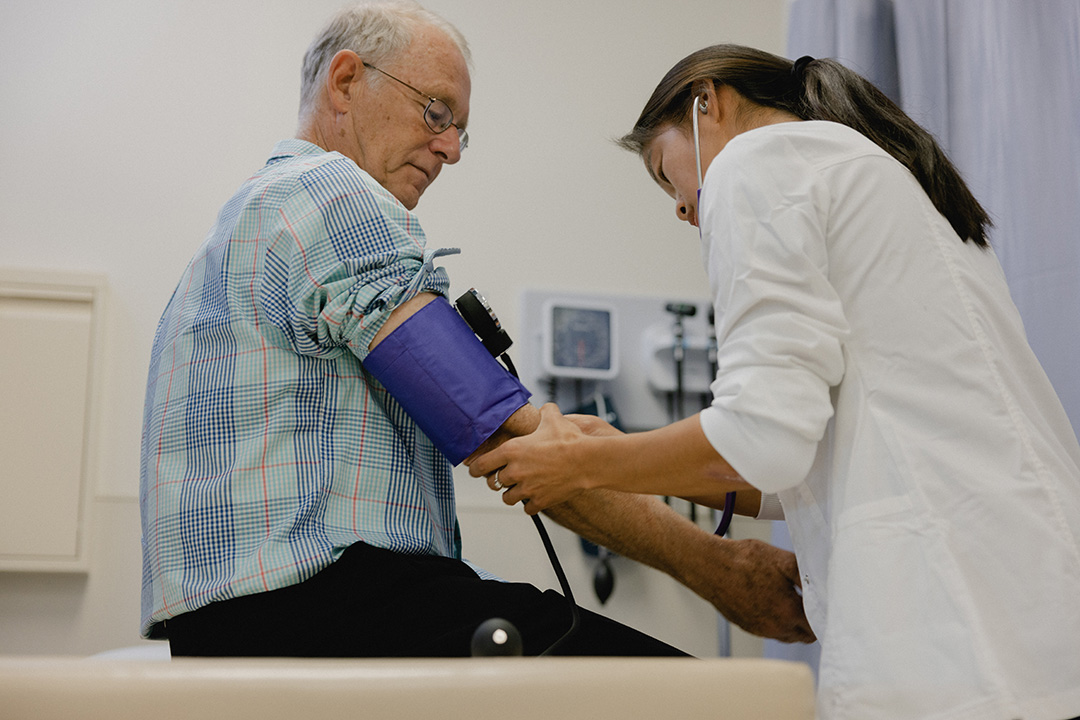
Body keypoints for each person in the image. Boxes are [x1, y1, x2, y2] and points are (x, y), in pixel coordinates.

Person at [139, 5, 814, 659]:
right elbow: (492, 424)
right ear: (345, 81)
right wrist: (716, 566)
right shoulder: (327, 192)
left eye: (461, 129)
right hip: (324, 609)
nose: (452, 149)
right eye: (435, 112)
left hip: (232, 627)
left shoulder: (240, 229)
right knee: (686, 699)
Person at [467, 45, 1080, 718]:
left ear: (710, 102)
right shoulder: (884, 178)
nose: (677, 207)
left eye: (663, 173)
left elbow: (764, 439)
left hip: (949, 621)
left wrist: (581, 464)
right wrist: (630, 454)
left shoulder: (755, 164)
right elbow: (826, 459)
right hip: (1026, 593)